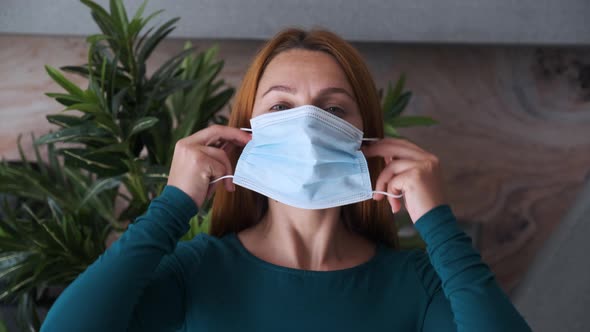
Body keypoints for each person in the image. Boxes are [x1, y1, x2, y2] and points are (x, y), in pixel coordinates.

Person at [41, 28, 531, 331]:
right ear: (244, 132)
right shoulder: (196, 272)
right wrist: (173, 204)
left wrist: (437, 222)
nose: (307, 125)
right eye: (280, 106)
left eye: (332, 108)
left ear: (367, 137)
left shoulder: (416, 284)